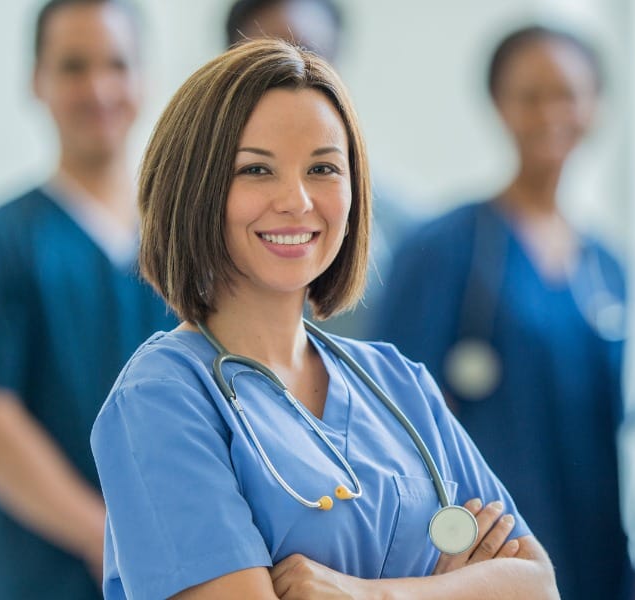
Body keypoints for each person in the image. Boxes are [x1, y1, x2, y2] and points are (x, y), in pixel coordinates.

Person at [90, 38, 559, 599]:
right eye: (257, 170)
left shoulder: (396, 383)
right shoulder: (162, 399)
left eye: (323, 168)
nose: (297, 200)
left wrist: (367, 595)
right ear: (194, 188)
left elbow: (537, 584)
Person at [375, 24, 630, 600]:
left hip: (595, 555)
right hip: (485, 559)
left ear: (595, 106)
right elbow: (392, 427)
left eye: (567, 93)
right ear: (498, 104)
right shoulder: (443, 250)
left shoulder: (609, 267)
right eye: (530, 95)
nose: (551, 113)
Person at [0, 1, 176, 598]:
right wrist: (107, 538)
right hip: (37, 573)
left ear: (145, 79)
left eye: (117, 64)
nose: (98, 88)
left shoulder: (189, 244)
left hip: (183, 564)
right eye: (72, 67)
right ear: (37, 81)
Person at [225, 0, 416, 339]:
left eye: (309, 54)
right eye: (264, 61)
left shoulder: (404, 232)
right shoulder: (192, 217)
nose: (290, 73)